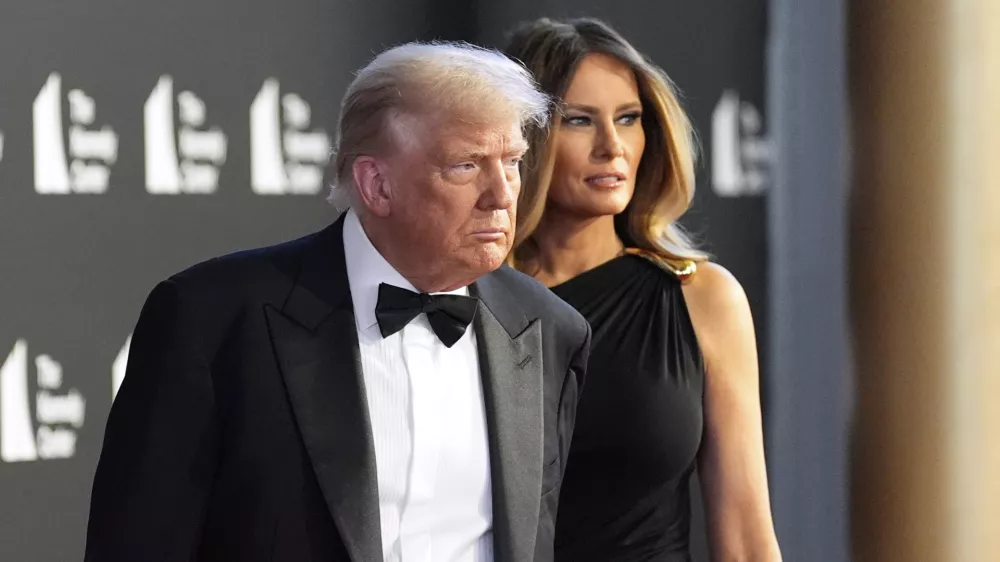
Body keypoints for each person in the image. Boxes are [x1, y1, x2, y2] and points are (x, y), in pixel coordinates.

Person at [85, 42, 591, 562]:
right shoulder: (211, 320)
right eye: (465, 166)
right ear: (376, 184)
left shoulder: (547, 328)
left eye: (512, 162)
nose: (503, 193)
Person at [503, 18, 781, 561]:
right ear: (524, 137)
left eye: (628, 119)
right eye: (579, 121)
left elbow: (747, 541)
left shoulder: (702, 298)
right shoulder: (468, 298)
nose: (613, 146)